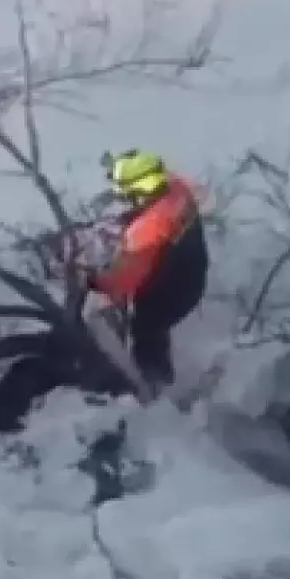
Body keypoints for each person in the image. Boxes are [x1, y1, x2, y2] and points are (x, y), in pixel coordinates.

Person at [81, 149, 209, 395]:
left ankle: (157, 388)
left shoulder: (147, 230)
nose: (123, 199)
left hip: (171, 290)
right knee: (155, 322)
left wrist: (94, 280)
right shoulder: (176, 188)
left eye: (127, 194)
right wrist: (116, 166)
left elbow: (121, 284)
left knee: (147, 329)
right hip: (193, 270)